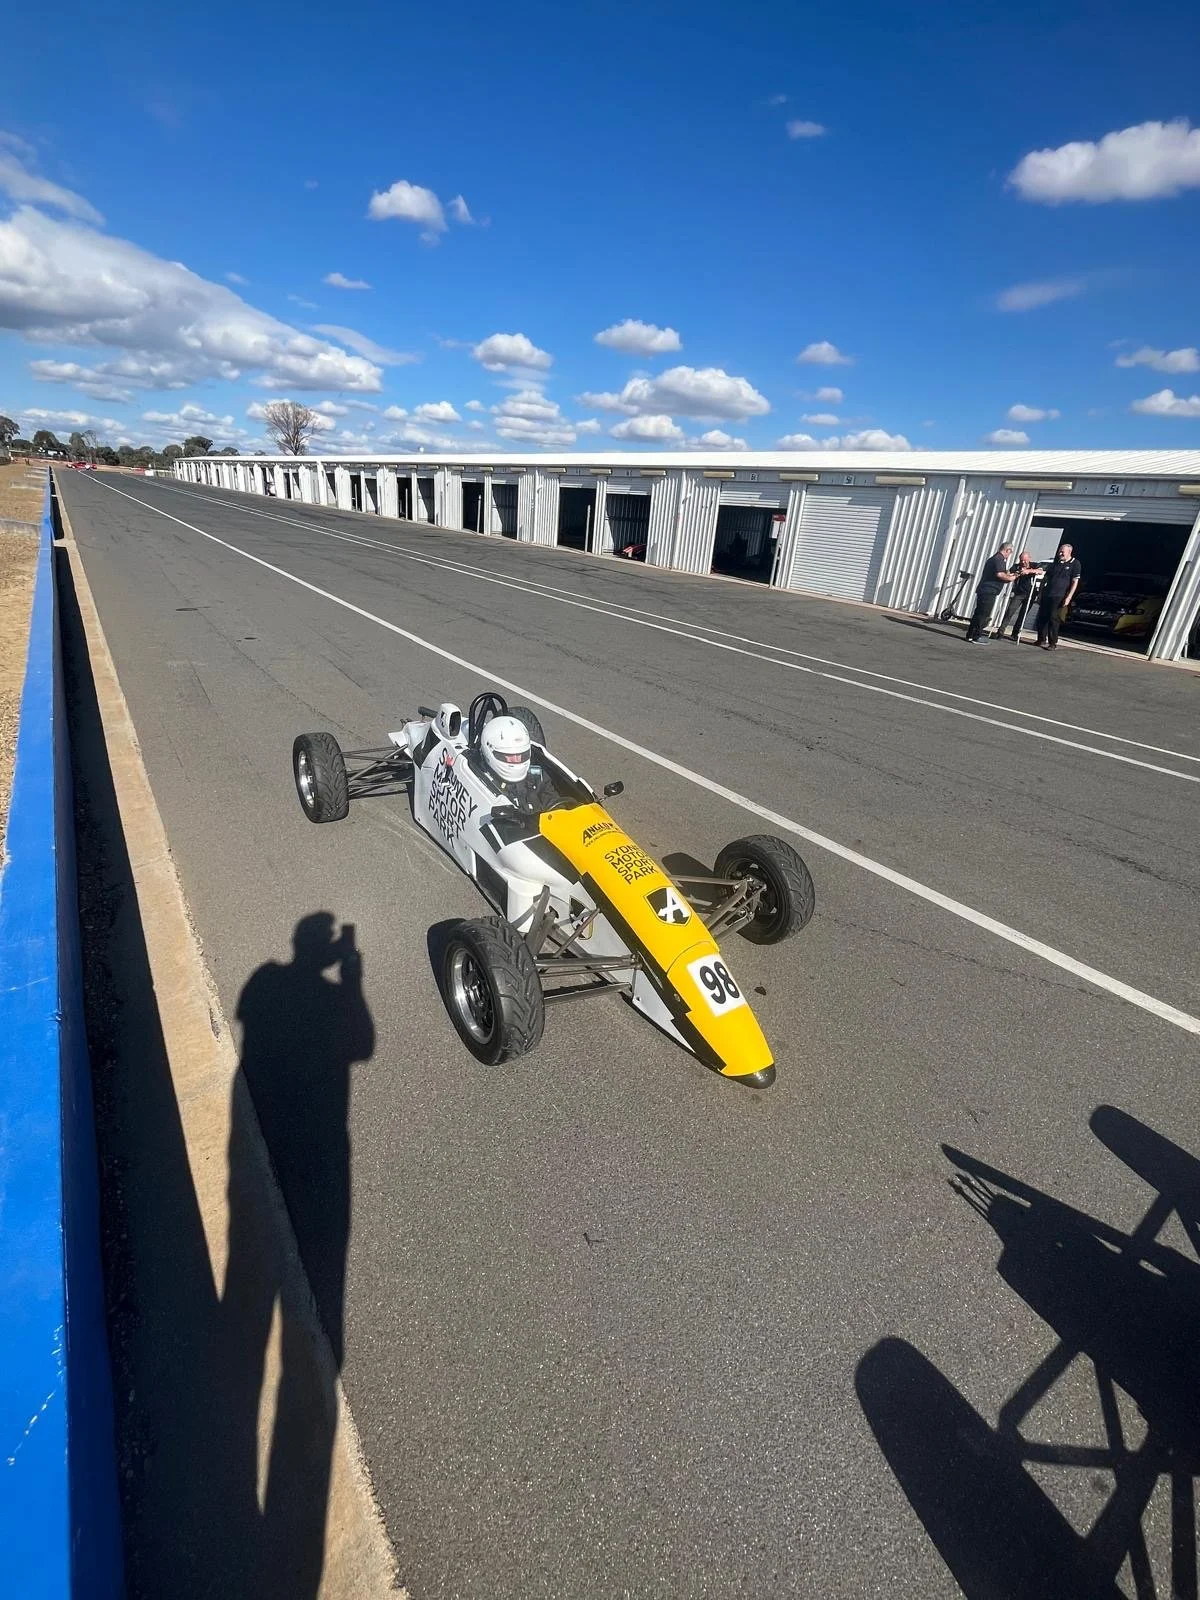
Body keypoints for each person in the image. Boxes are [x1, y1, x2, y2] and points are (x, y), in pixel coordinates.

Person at [479, 714, 560, 812]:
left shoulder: (538, 776)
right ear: (490, 753)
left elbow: (554, 801)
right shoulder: (482, 787)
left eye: (522, 754)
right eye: (510, 756)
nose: (517, 759)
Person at [965, 542, 1018, 642]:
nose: (1009, 555)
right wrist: (1012, 577)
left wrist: (1008, 575)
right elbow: (1000, 574)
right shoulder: (999, 559)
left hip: (985, 590)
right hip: (989, 591)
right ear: (1007, 550)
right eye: (1010, 552)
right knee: (984, 614)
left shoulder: (994, 559)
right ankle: (977, 636)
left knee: (978, 613)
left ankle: (970, 634)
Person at [1036, 542, 1082, 650]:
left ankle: (1052, 643)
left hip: (1059, 595)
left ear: (1069, 552)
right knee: (1042, 616)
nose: (1060, 553)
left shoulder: (1075, 564)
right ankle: (1041, 639)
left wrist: (1069, 597)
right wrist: (1040, 592)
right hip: (1048, 593)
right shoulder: (1056, 563)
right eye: (1060, 551)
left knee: (1053, 617)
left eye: (1063, 551)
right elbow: (1046, 578)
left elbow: (1075, 582)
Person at [998, 550, 1044, 641]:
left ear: (1029, 559)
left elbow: (1040, 571)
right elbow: (1008, 573)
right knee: (1010, 611)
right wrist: (1015, 573)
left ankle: (1015, 633)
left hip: (1030, 594)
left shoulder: (1035, 565)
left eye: (1025, 560)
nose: (1023, 562)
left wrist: (1028, 571)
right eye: (1021, 560)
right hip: (1019, 593)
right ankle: (1000, 631)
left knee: (1023, 614)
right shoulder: (1016, 566)